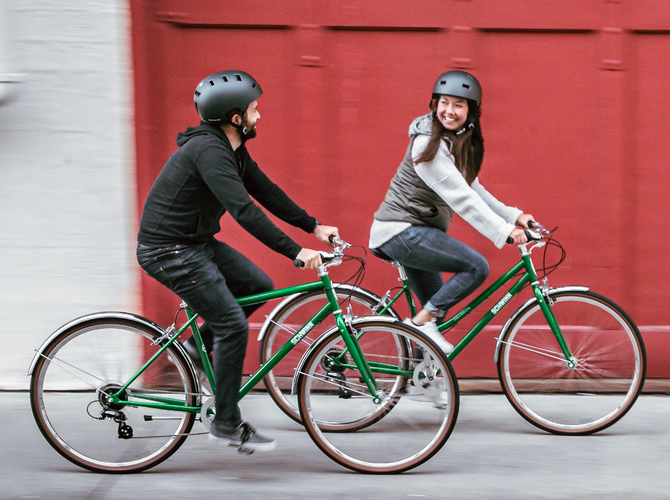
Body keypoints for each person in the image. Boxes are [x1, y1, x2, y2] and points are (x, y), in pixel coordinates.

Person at [136, 69, 338, 452]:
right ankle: (226, 422)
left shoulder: (230, 149)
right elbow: (244, 210)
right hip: (168, 250)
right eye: (254, 109)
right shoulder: (208, 151)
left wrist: (312, 226)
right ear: (235, 117)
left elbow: (265, 191)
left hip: (193, 242)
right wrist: (294, 252)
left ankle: (199, 348)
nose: (259, 116)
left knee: (258, 286)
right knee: (233, 325)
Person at [369, 70, 535, 354]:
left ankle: (425, 385)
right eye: (445, 102)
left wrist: (513, 216)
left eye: (459, 104)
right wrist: (505, 232)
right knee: (476, 267)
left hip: (414, 232)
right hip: (401, 231)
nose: (450, 110)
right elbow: (463, 200)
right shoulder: (426, 144)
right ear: (435, 104)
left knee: (436, 311)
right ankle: (420, 326)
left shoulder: (452, 140)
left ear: (470, 111)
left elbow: (472, 188)